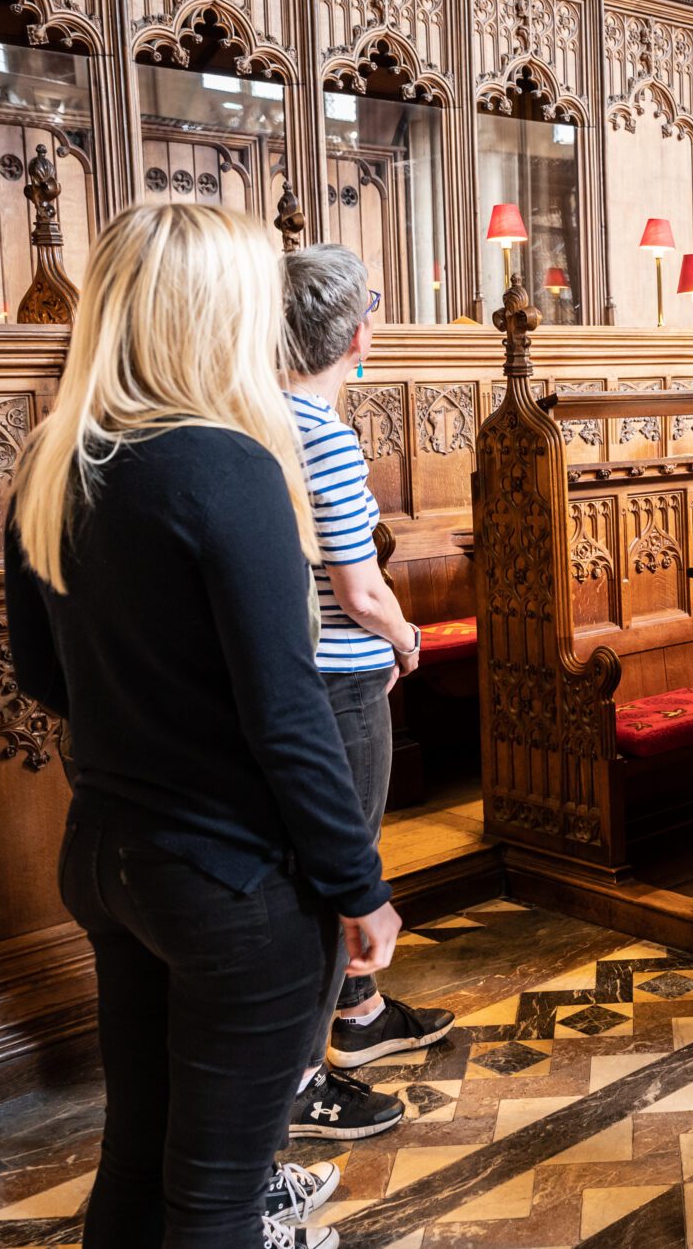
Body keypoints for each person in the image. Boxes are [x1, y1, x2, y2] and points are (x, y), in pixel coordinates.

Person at [4, 204, 400, 1249]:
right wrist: (359, 885)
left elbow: (43, 673)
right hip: (229, 882)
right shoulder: (228, 464)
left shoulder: (55, 456)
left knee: (136, 1161)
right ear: (220, 309)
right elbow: (285, 712)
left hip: (106, 854)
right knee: (218, 1196)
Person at [278, 245, 452, 1139]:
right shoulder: (324, 434)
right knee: (343, 868)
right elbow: (360, 587)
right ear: (358, 337)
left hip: (291, 673)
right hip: (341, 683)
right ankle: (305, 1073)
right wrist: (408, 635)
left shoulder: (259, 418)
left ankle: (360, 1013)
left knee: (329, 863)